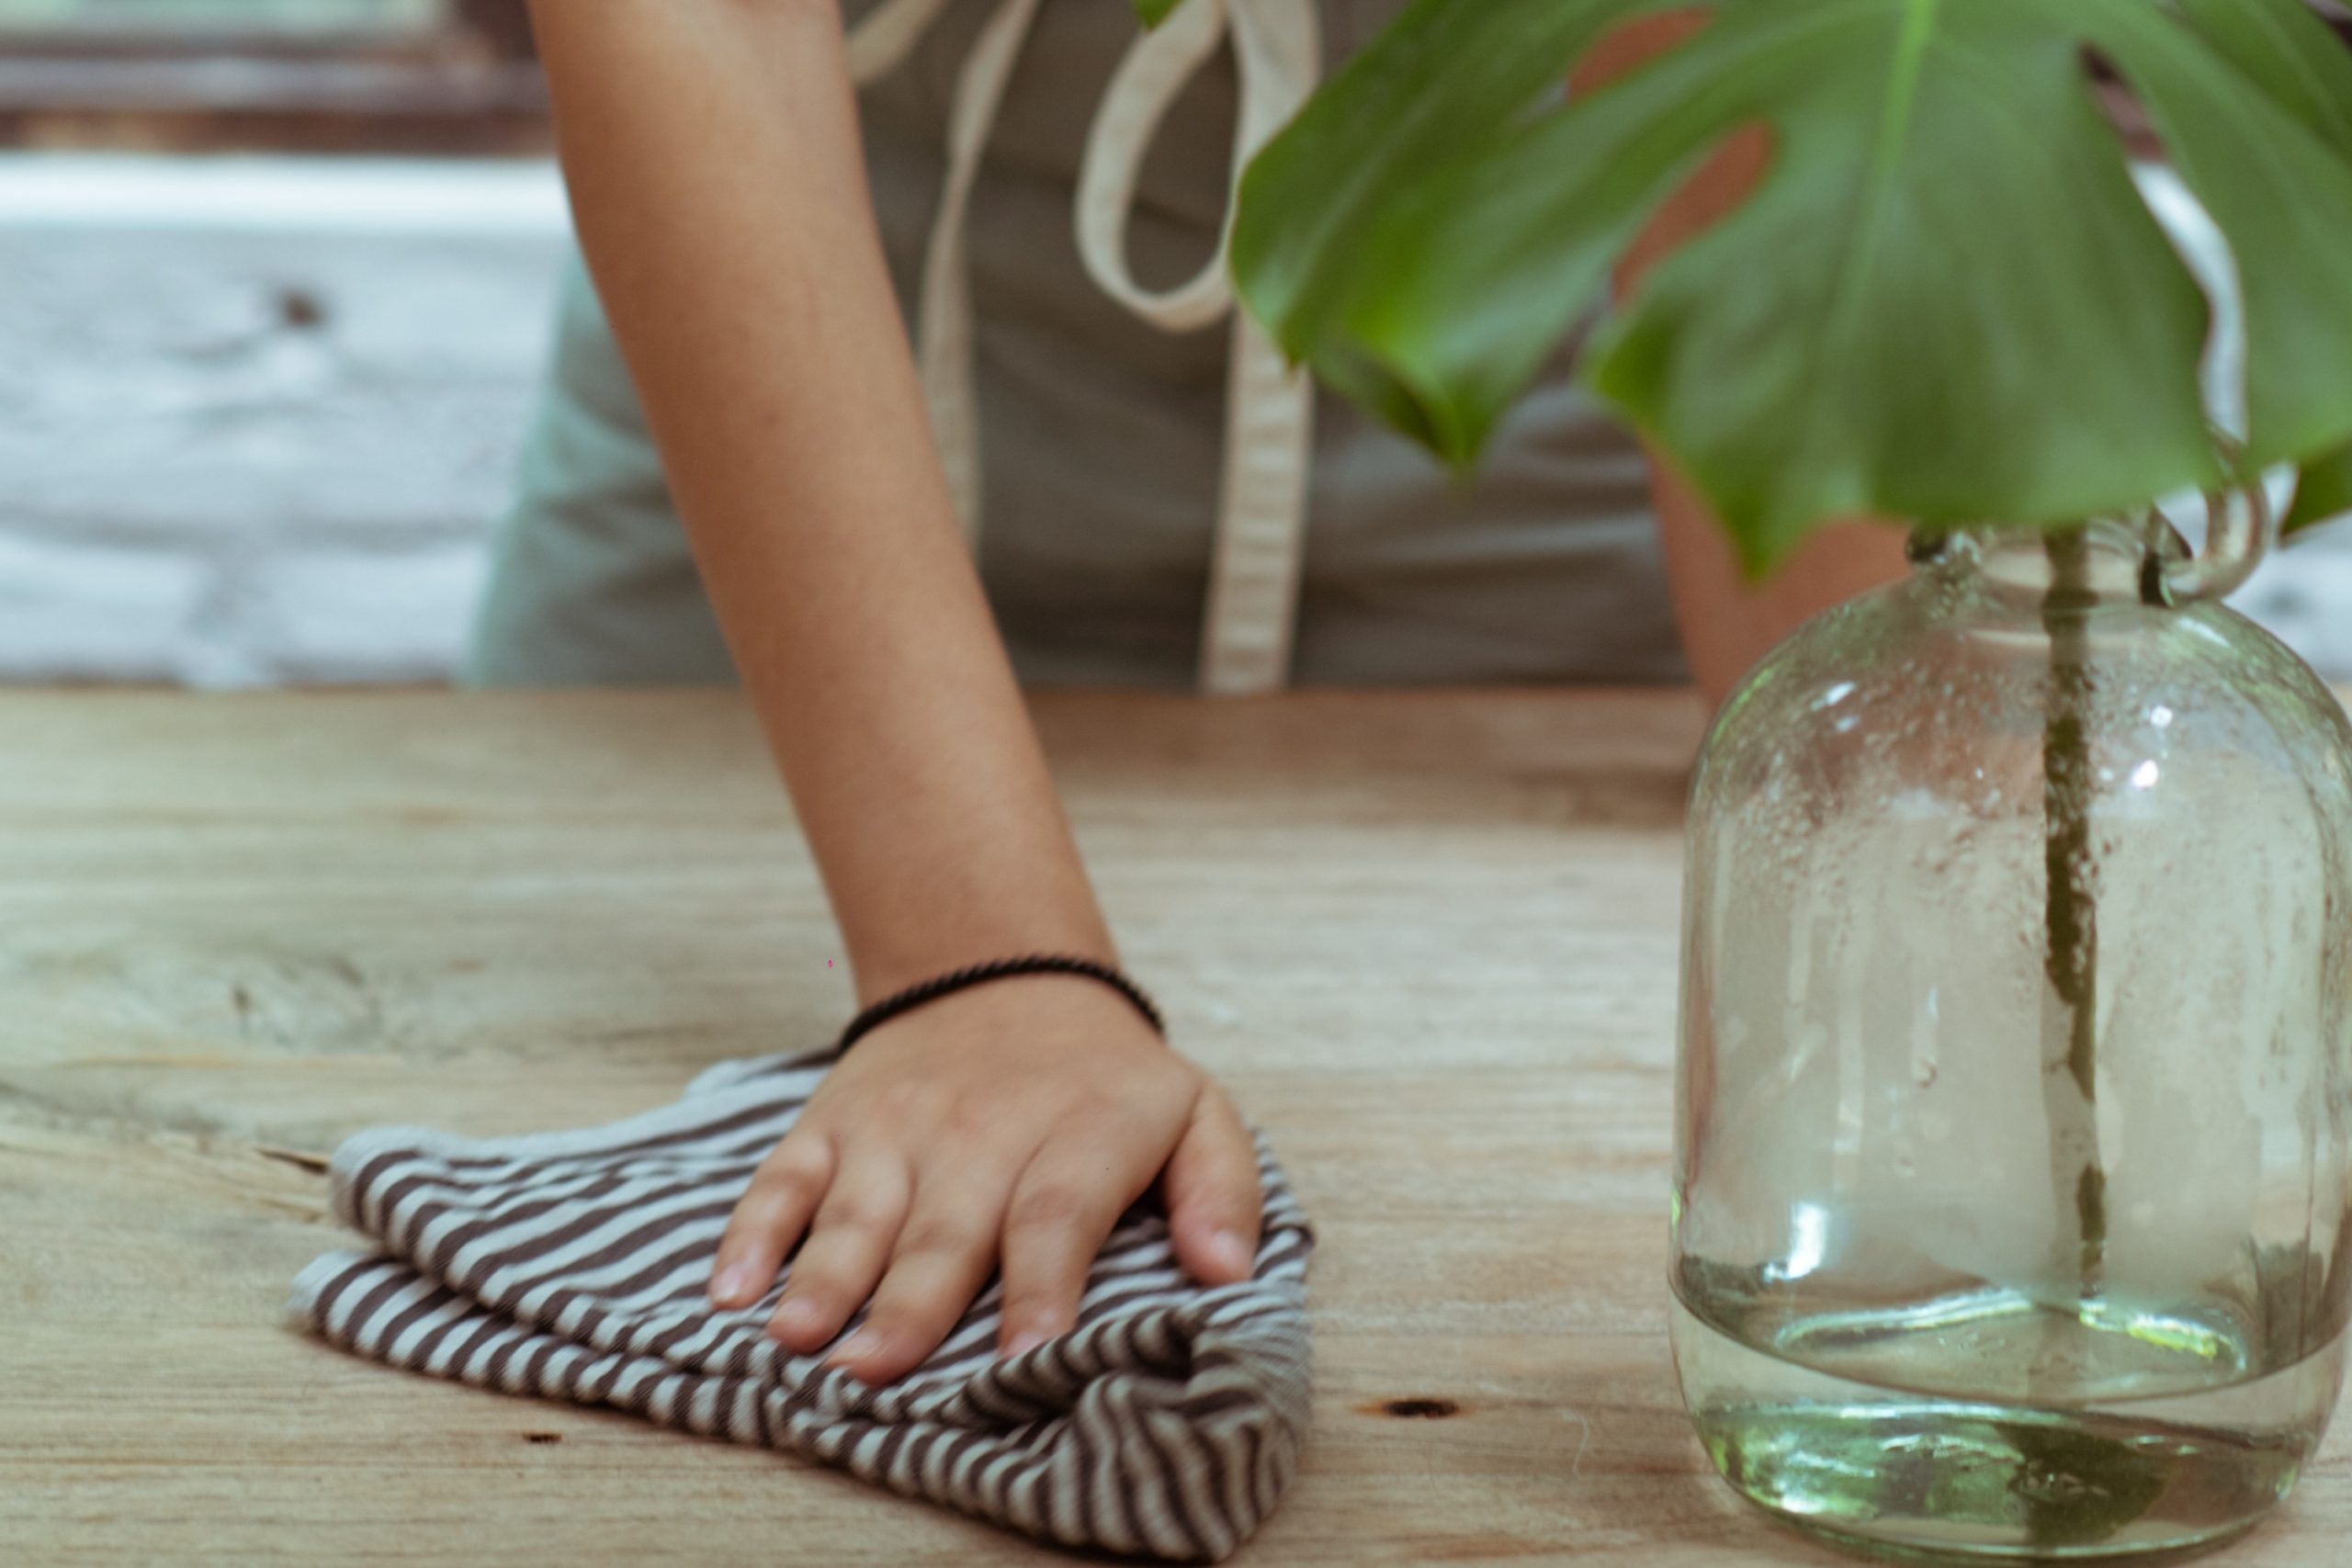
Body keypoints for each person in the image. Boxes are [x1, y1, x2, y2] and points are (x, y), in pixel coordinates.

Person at [481, 0, 1905, 1389]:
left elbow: (1737, 77)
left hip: (1542, 516)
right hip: (800, 480)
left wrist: (1900, 842)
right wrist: (984, 971)